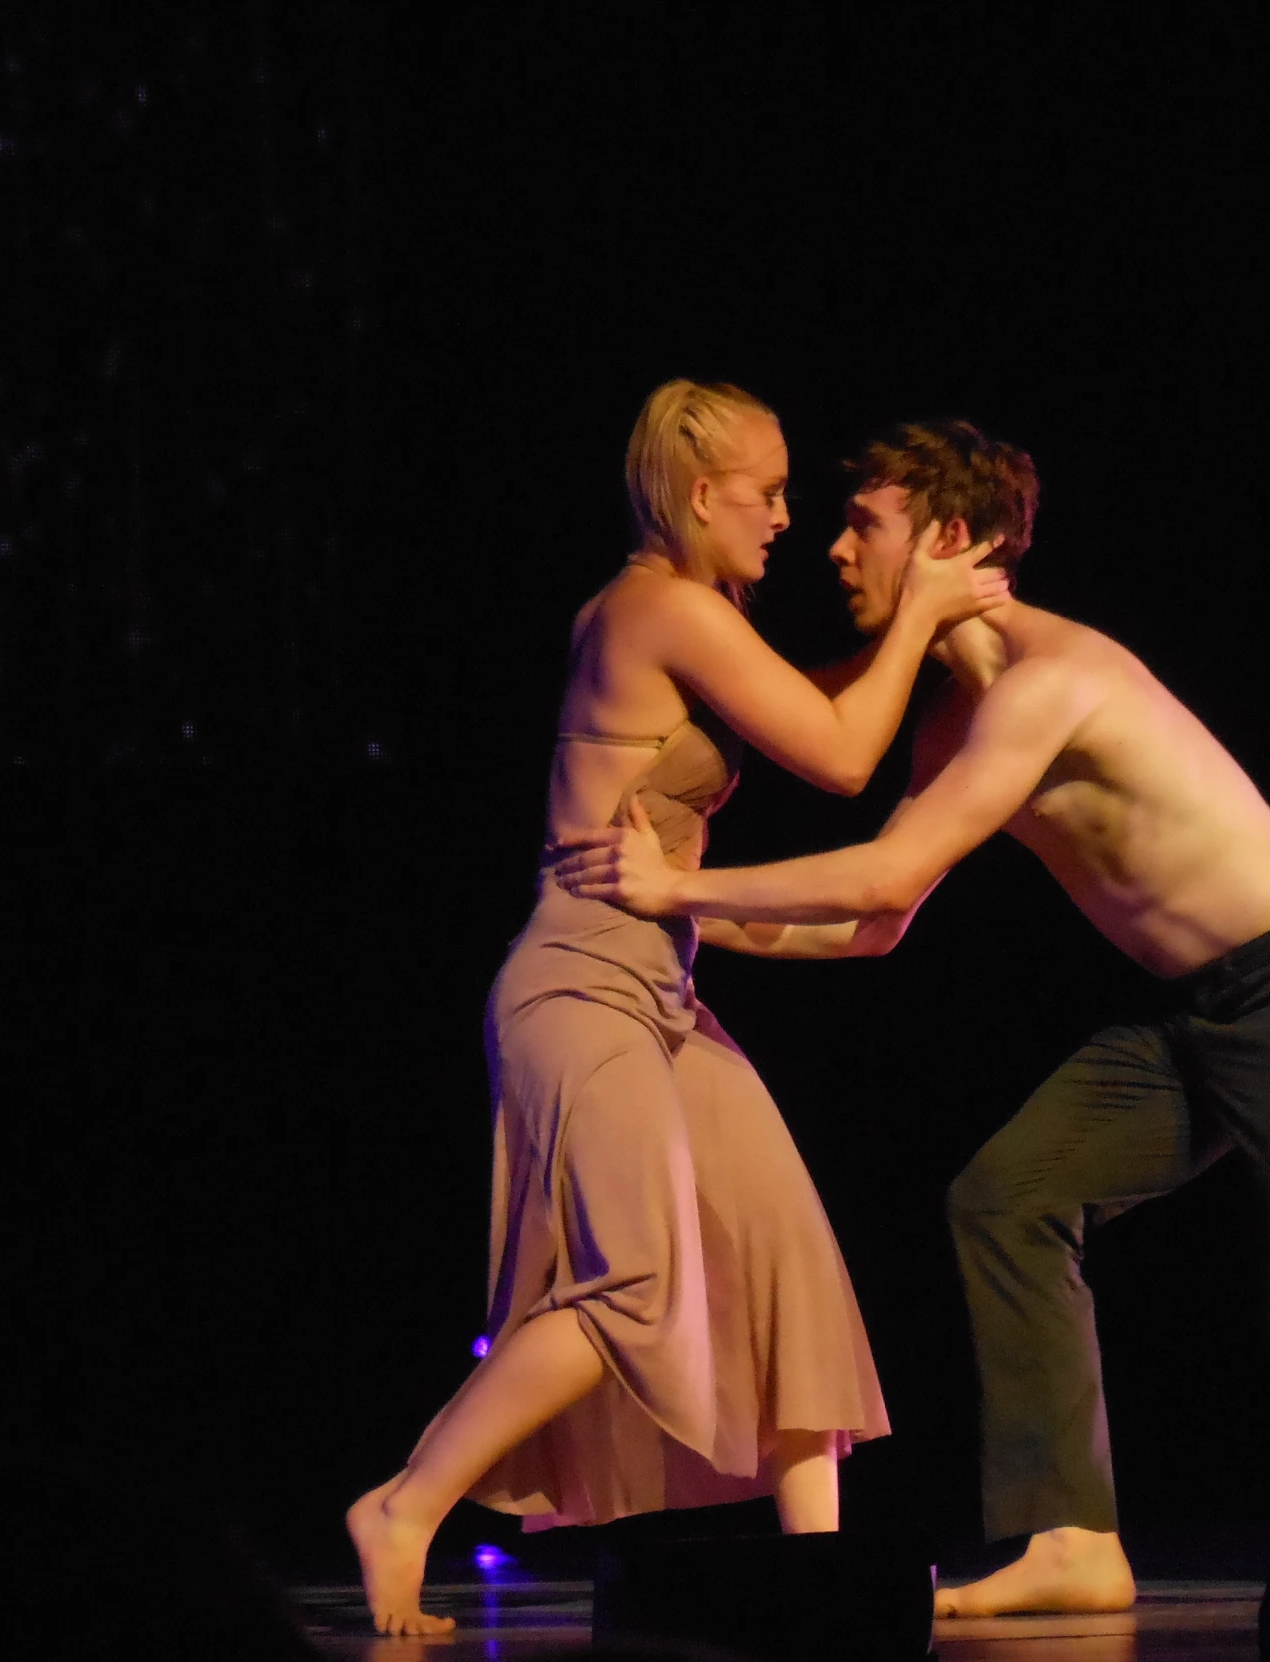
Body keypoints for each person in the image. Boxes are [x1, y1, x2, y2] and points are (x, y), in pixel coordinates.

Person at [552, 417, 1270, 1620]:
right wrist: (672, 928)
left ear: (951, 539)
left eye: (863, 525)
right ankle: (1070, 1539)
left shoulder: (1052, 680)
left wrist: (679, 888)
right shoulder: (947, 723)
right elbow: (877, 922)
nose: (832, 550)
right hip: (1201, 1012)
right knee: (1006, 1198)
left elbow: (869, 880)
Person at [346, 384, 1009, 1636]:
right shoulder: (659, 607)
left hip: (657, 992)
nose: (783, 518)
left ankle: (821, 1578)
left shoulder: (694, 622)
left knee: (784, 1264)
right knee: (635, 1281)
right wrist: (921, 607)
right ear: (702, 494)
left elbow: (807, 729)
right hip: (579, 992)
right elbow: (841, 754)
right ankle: (403, 1507)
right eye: (766, 493)